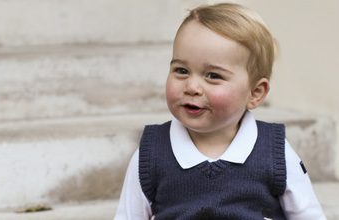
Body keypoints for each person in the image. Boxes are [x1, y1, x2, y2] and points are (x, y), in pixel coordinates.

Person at [115, 3, 326, 220]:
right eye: (181, 70)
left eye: (213, 76)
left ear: (255, 93)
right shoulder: (152, 153)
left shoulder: (274, 152)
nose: (192, 87)